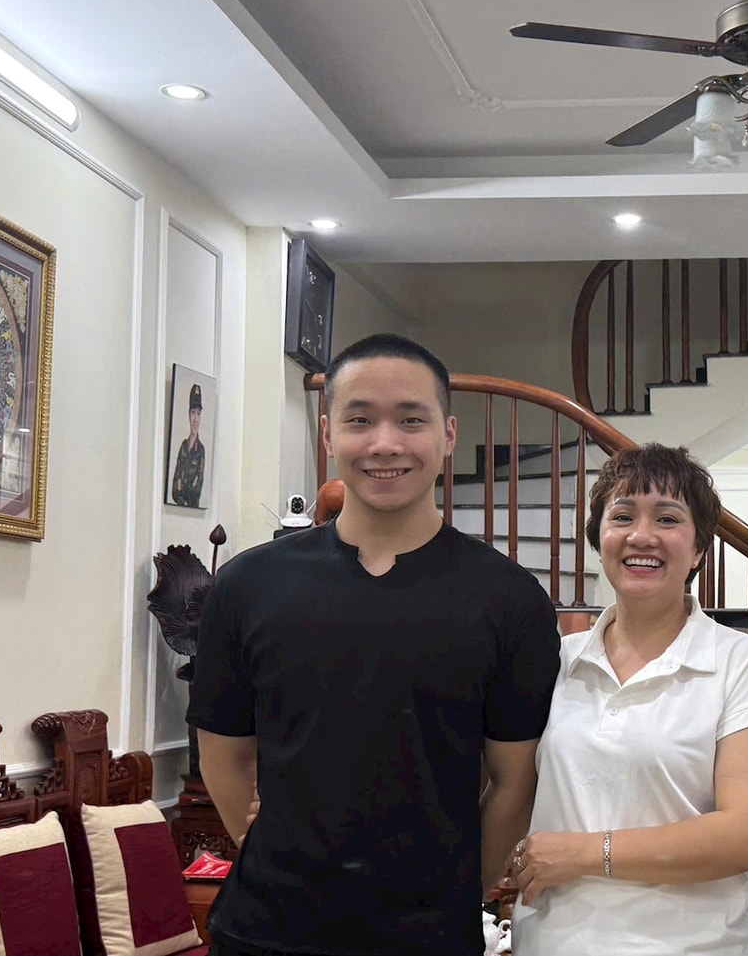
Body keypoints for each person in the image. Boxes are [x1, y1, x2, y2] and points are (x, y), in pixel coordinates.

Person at [188, 333, 560, 956]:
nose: (385, 443)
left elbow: (513, 781)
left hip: (431, 935)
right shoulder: (249, 585)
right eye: (360, 420)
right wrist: (273, 849)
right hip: (266, 929)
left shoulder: (509, 599)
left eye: (411, 420)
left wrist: (460, 893)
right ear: (328, 434)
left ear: (448, 434)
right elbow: (224, 757)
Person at [507, 443, 748, 956]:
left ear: (699, 549)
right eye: (622, 516)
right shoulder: (556, 660)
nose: (642, 536)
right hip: (552, 942)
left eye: (667, 518)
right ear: (599, 540)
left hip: (698, 947)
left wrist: (584, 853)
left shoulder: (741, 661)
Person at [170, 382, 206, 506]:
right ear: (188, 415)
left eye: (198, 414)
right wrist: (183, 489)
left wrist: (182, 488)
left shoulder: (200, 450)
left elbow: (197, 491)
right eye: (193, 412)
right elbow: (174, 489)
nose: (195, 419)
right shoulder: (183, 446)